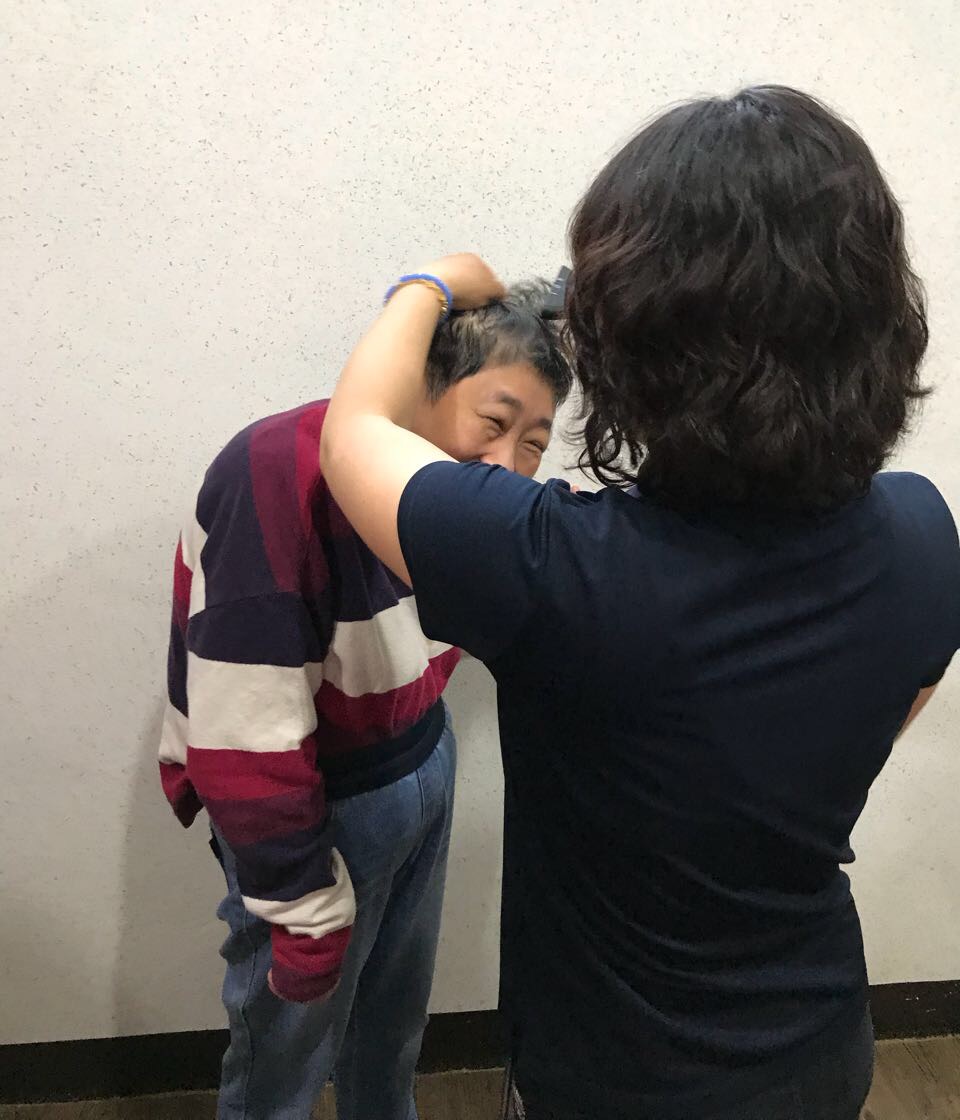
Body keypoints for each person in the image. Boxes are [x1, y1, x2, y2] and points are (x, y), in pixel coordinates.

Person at [318, 88, 960, 1120]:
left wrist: (430, 282)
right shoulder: (925, 535)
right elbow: (884, 711)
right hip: (820, 1051)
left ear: (630, 345)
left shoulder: (549, 566)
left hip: (610, 1079)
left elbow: (354, 430)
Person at [157, 281, 572, 1120]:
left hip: (422, 751)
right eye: (492, 423)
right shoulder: (276, 469)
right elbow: (244, 725)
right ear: (420, 383)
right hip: (313, 802)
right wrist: (302, 908)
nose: (508, 466)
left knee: (390, 1033)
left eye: (534, 443)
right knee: (285, 1060)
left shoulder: (456, 511)